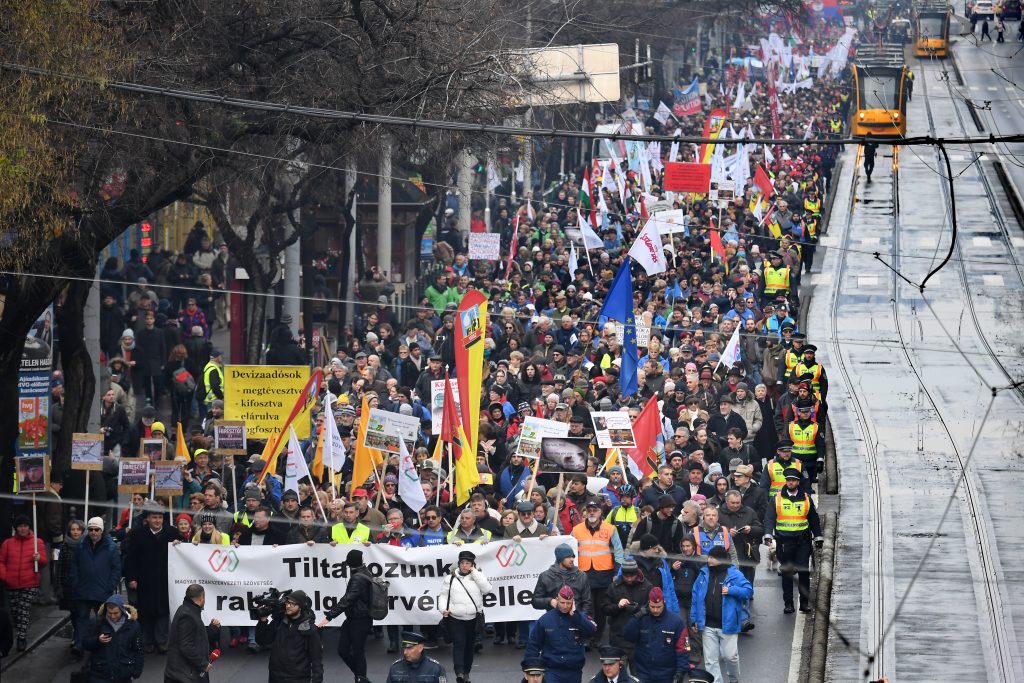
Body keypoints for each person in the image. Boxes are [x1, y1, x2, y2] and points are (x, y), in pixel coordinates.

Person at [764, 467, 823, 614]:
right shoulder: (777, 499)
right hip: (785, 543)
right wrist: (767, 535)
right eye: (788, 480)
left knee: (803, 572)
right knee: (787, 573)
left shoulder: (805, 498)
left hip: (803, 542)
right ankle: (788, 604)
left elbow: (813, 519)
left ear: (797, 482)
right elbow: (769, 518)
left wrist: (818, 536)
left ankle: (804, 603)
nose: (790, 482)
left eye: (793, 480)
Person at [690, 546, 753, 683]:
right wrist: (694, 619)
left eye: (713, 558)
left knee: (730, 657)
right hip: (708, 625)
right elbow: (695, 597)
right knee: (710, 661)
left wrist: (731, 590)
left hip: (728, 624)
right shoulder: (703, 574)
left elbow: (748, 591)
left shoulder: (734, 575)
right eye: (709, 557)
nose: (709, 560)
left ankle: (733, 679)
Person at [124, 506, 177, 653]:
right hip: (144, 579)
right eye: (154, 517)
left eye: (160, 517)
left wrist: (179, 544)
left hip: (164, 579)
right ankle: (147, 641)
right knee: (145, 611)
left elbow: (185, 549)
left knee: (163, 611)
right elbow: (131, 558)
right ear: (147, 519)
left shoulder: (172, 533)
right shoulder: (137, 534)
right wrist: (132, 578)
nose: (157, 521)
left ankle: (162, 642)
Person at [571, 500, 623, 646]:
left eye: (595, 510)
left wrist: (616, 572)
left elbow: (618, 551)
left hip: (604, 573)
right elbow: (568, 547)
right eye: (589, 510)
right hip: (583, 573)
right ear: (586, 513)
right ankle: (587, 636)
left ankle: (598, 636)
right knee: (586, 606)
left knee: (601, 608)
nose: (592, 512)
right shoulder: (577, 530)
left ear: (601, 512)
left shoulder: (610, 529)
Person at [319, 549, 374, 683]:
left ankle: (360, 678)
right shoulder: (365, 573)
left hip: (360, 620)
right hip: (353, 619)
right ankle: (362, 677)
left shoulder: (357, 578)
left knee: (357, 652)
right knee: (343, 650)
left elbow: (347, 599)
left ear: (350, 563)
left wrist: (329, 616)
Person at [70, 517, 122, 655]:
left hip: (102, 591)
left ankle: (102, 644)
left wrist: (109, 586)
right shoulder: (81, 545)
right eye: (91, 529)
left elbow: (116, 569)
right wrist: (75, 582)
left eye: (96, 529)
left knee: (103, 620)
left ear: (101, 531)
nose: (93, 532)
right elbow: (74, 566)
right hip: (83, 590)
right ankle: (79, 645)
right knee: (82, 619)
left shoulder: (111, 547)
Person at [438, 550, 492, 683]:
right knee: (459, 645)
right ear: (459, 564)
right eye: (462, 563)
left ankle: (466, 672)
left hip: (473, 619)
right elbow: (443, 595)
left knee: (469, 647)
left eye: (468, 563)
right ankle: (459, 673)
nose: (465, 565)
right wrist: (443, 609)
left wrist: (475, 572)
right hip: (455, 618)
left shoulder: (478, 576)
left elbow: (487, 589)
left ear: (472, 564)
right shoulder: (450, 578)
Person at [524, 585, 596, 683]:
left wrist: (576, 616)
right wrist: (530, 669)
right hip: (552, 671)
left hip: (574, 670)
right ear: (557, 599)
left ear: (573, 602)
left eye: (568, 603)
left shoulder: (579, 618)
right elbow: (533, 645)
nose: (565, 606)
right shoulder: (545, 620)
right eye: (562, 602)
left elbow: (591, 631)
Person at [0, 515, 48, 651]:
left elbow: (44, 562)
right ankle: (20, 631)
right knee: (15, 613)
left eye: (25, 526)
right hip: (11, 584)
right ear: (16, 528)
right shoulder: (7, 543)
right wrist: (5, 576)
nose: (23, 529)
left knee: (23, 610)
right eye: (20, 526)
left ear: (29, 527)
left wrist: (39, 558)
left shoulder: (37, 542)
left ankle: (21, 637)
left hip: (30, 583)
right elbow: (1, 561)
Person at [255, 589, 324, 683]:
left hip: (297, 678)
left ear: (300, 606)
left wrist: (317, 680)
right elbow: (262, 640)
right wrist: (263, 621)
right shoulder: (279, 622)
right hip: (275, 676)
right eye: (287, 603)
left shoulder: (309, 629)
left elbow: (316, 659)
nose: (288, 606)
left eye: (292, 604)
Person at [622, 587, 690, 683]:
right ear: (648, 603)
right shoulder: (641, 618)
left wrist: (680, 672)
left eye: (658, 607)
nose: (655, 610)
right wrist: (636, 617)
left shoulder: (676, 622)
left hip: (667, 674)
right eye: (652, 607)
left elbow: (683, 649)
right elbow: (627, 636)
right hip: (643, 673)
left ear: (664, 603)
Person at [81, 593, 145, 683]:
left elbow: (138, 650)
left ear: (122, 610)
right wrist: (98, 640)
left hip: (123, 674)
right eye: (109, 613)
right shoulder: (97, 623)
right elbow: (85, 643)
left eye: (116, 613)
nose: (112, 616)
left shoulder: (133, 626)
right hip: (100, 674)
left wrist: (137, 671)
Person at [165, 584, 221, 683]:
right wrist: (202, 664)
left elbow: (198, 638)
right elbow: (186, 645)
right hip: (184, 676)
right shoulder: (187, 615)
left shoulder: (188, 610)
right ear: (201, 597)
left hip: (184, 674)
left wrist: (213, 629)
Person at [601, 559, 651, 663]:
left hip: (639, 640)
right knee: (619, 676)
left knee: (638, 677)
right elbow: (604, 608)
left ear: (636, 573)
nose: (629, 578)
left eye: (632, 576)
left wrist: (638, 609)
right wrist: (617, 606)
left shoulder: (647, 586)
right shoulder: (614, 587)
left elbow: (652, 608)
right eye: (626, 576)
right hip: (618, 639)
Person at [531, 543, 593, 616]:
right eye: (568, 557)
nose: (572, 559)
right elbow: (535, 601)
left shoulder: (581, 575)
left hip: (576, 620)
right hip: (554, 620)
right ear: (560, 558)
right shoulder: (546, 576)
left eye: (573, 556)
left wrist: (581, 619)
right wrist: (549, 601)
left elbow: (588, 602)